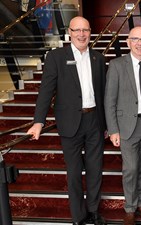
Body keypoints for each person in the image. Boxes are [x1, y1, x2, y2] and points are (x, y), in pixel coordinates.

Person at [26, 16, 107, 225]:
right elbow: (46, 91)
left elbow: (104, 94)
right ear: (69, 32)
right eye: (77, 30)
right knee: (73, 173)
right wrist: (38, 122)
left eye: (85, 30)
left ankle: (93, 211)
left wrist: (107, 125)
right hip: (70, 122)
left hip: (94, 121)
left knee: (95, 170)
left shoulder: (99, 59)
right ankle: (78, 216)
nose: (81, 34)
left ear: (91, 32)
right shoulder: (56, 57)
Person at [104, 26, 141, 225]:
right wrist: (113, 129)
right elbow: (109, 99)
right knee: (131, 168)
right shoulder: (117, 65)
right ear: (128, 42)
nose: (140, 43)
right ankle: (129, 207)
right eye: (135, 39)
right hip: (127, 124)